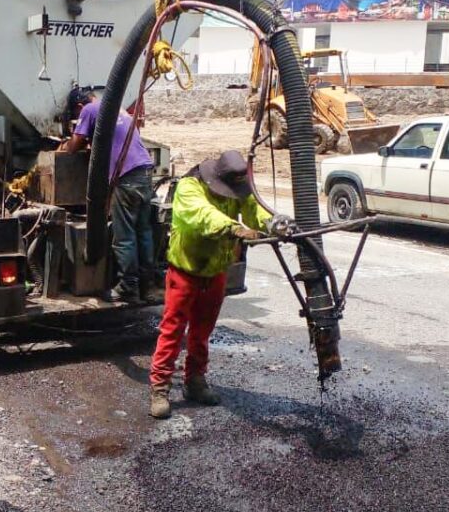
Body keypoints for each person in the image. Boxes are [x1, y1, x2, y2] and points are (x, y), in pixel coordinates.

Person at [149, 150, 288, 419]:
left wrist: (273, 222)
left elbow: (253, 208)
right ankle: (160, 387)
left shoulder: (236, 188)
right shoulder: (190, 188)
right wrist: (233, 228)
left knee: (202, 331)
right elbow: (201, 215)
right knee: (173, 330)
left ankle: (195, 381)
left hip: (215, 271)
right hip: (186, 271)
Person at [63, 90, 156, 303]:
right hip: (144, 171)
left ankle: (127, 287)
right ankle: (147, 286)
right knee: (144, 232)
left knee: (124, 236)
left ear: (78, 106)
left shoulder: (88, 109)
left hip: (126, 176)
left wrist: (67, 143)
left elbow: (74, 146)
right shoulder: (119, 109)